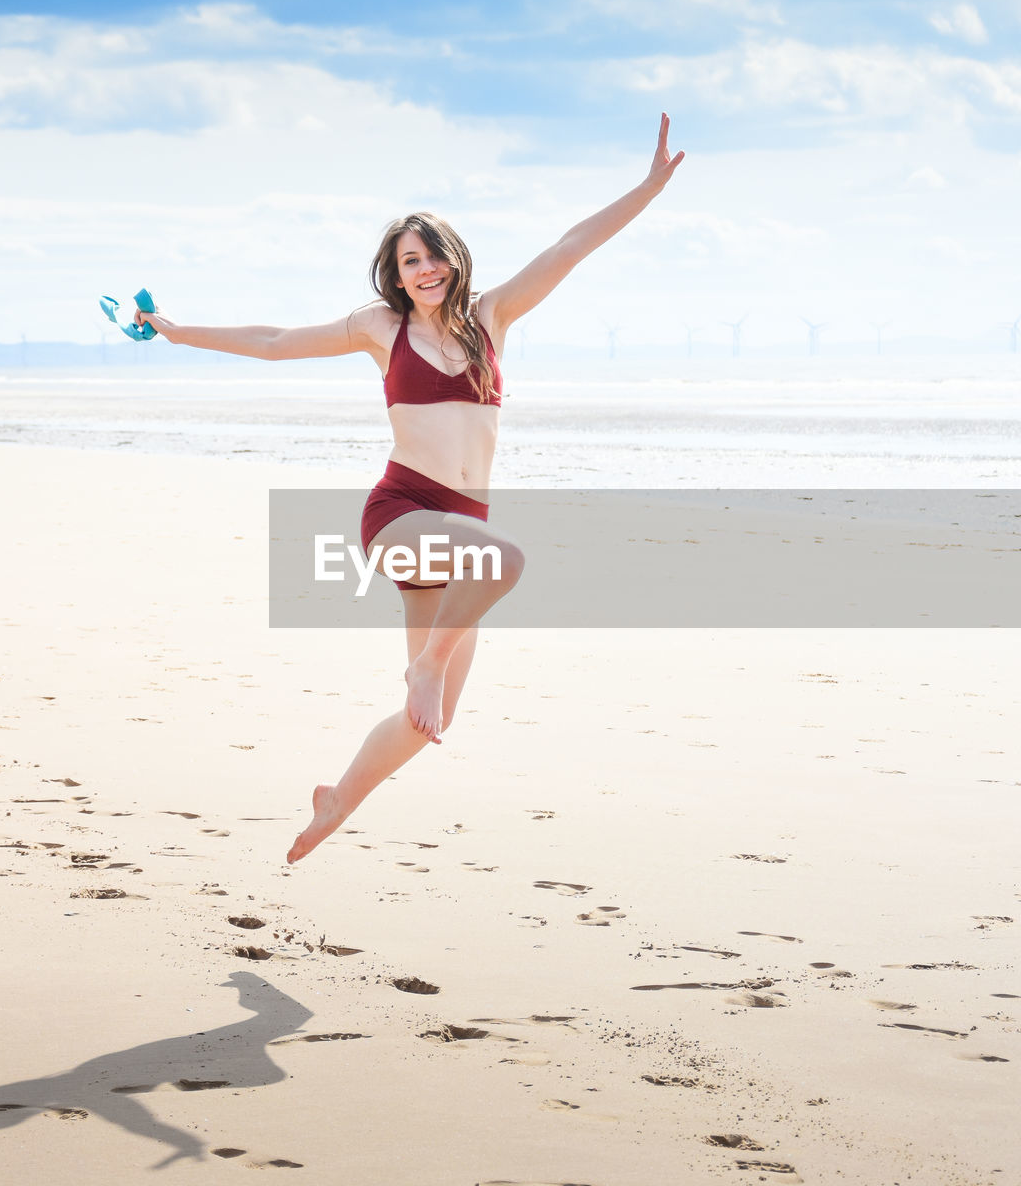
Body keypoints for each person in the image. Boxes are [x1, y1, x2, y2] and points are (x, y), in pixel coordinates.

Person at [135, 114, 684, 863]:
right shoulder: (379, 327)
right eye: (409, 262)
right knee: (506, 562)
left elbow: (571, 246)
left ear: (454, 262)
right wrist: (174, 330)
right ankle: (422, 666)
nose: (424, 271)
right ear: (394, 275)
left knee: (432, 721)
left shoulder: (492, 316)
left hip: (462, 528)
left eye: (433, 258)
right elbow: (272, 342)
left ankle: (337, 801)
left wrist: (648, 187)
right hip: (405, 512)